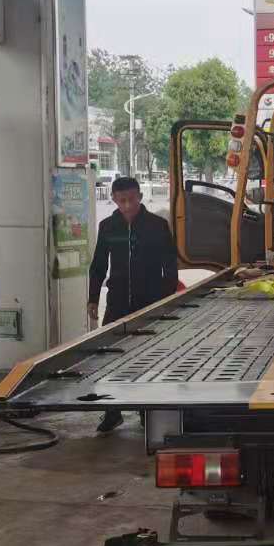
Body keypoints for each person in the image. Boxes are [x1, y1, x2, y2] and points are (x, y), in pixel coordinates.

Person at [88, 177, 178, 431]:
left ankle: (144, 411)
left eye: (131, 199)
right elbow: (98, 265)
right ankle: (112, 411)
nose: (127, 205)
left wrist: (166, 299)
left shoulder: (157, 226)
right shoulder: (108, 226)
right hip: (116, 302)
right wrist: (93, 297)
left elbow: (170, 266)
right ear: (114, 200)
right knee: (109, 356)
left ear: (140, 196)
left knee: (147, 357)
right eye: (122, 200)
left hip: (149, 301)